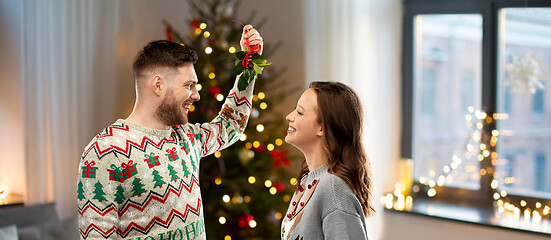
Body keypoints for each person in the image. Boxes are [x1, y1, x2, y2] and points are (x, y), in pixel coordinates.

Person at [77, 25, 263, 240]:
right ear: (158, 85)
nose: (196, 96)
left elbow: (231, 124)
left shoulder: (187, 137)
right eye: (189, 85)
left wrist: (248, 65)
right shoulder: (105, 151)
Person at [281, 81, 375, 240]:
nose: (289, 116)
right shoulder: (307, 181)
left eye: (300, 112)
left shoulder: (333, 190)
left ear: (322, 127)